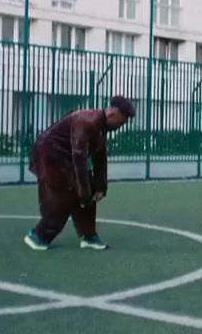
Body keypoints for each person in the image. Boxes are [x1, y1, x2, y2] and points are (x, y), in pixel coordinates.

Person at [23, 96, 137, 251]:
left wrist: (100, 187)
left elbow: (100, 157)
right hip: (49, 155)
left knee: (86, 188)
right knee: (65, 194)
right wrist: (84, 192)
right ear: (112, 114)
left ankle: (88, 236)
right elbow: (80, 159)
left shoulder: (102, 127)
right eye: (122, 121)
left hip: (66, 159)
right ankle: (39, 236)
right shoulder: (86, 122)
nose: (122, 125)